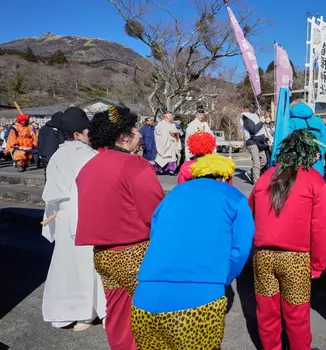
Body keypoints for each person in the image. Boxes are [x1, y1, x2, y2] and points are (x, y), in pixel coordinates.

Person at [131, 154, 254, 349]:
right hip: (199, 301)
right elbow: (240, 250)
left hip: (145, 299)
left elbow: (156, 234)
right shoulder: (234, 197)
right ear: (224, 177)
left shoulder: (173, 195)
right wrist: (223, 277)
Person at [75, 105, 164, 350]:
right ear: (124, 135)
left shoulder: (89, 166)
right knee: (150, 315)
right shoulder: (135, 166)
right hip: (134, 252)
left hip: (103, 254)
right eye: (134, 128)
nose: (138, 132)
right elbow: (155, 215)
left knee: (117, 314)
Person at [249, 129, 326, 350]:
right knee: (297, 315)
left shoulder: (266, 177)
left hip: (263, 256)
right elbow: (320, 227)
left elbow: (250, 213)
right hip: (296, 258)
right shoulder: (315, 181)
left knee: (266, 313)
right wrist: (317, 264)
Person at [41, 107, 107, 331]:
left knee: (67, 263)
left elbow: (51, 194)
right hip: (86, 214)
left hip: (64, 214)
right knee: (87, 264)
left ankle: (67, 311)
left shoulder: (57, 155)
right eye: (86, 130)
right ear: (77, 134)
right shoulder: (88, 155)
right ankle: (89, 312)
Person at [289, 100, 326, 175]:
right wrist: (319, 151)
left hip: (297, 164)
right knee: (316, 184)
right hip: (316, 163)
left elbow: (287, 140)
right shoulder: (318, 121)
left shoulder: (290, 121)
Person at [241, 103, 269, 184]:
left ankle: (251, 172)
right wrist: (262, 121)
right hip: (251, 141)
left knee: (263, 160)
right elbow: (253, 130)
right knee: (256, 162)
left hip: (259, 141)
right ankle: (256, 182)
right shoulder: (246, 118)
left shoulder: (256, 116)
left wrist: (263, 121)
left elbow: (260, 128)